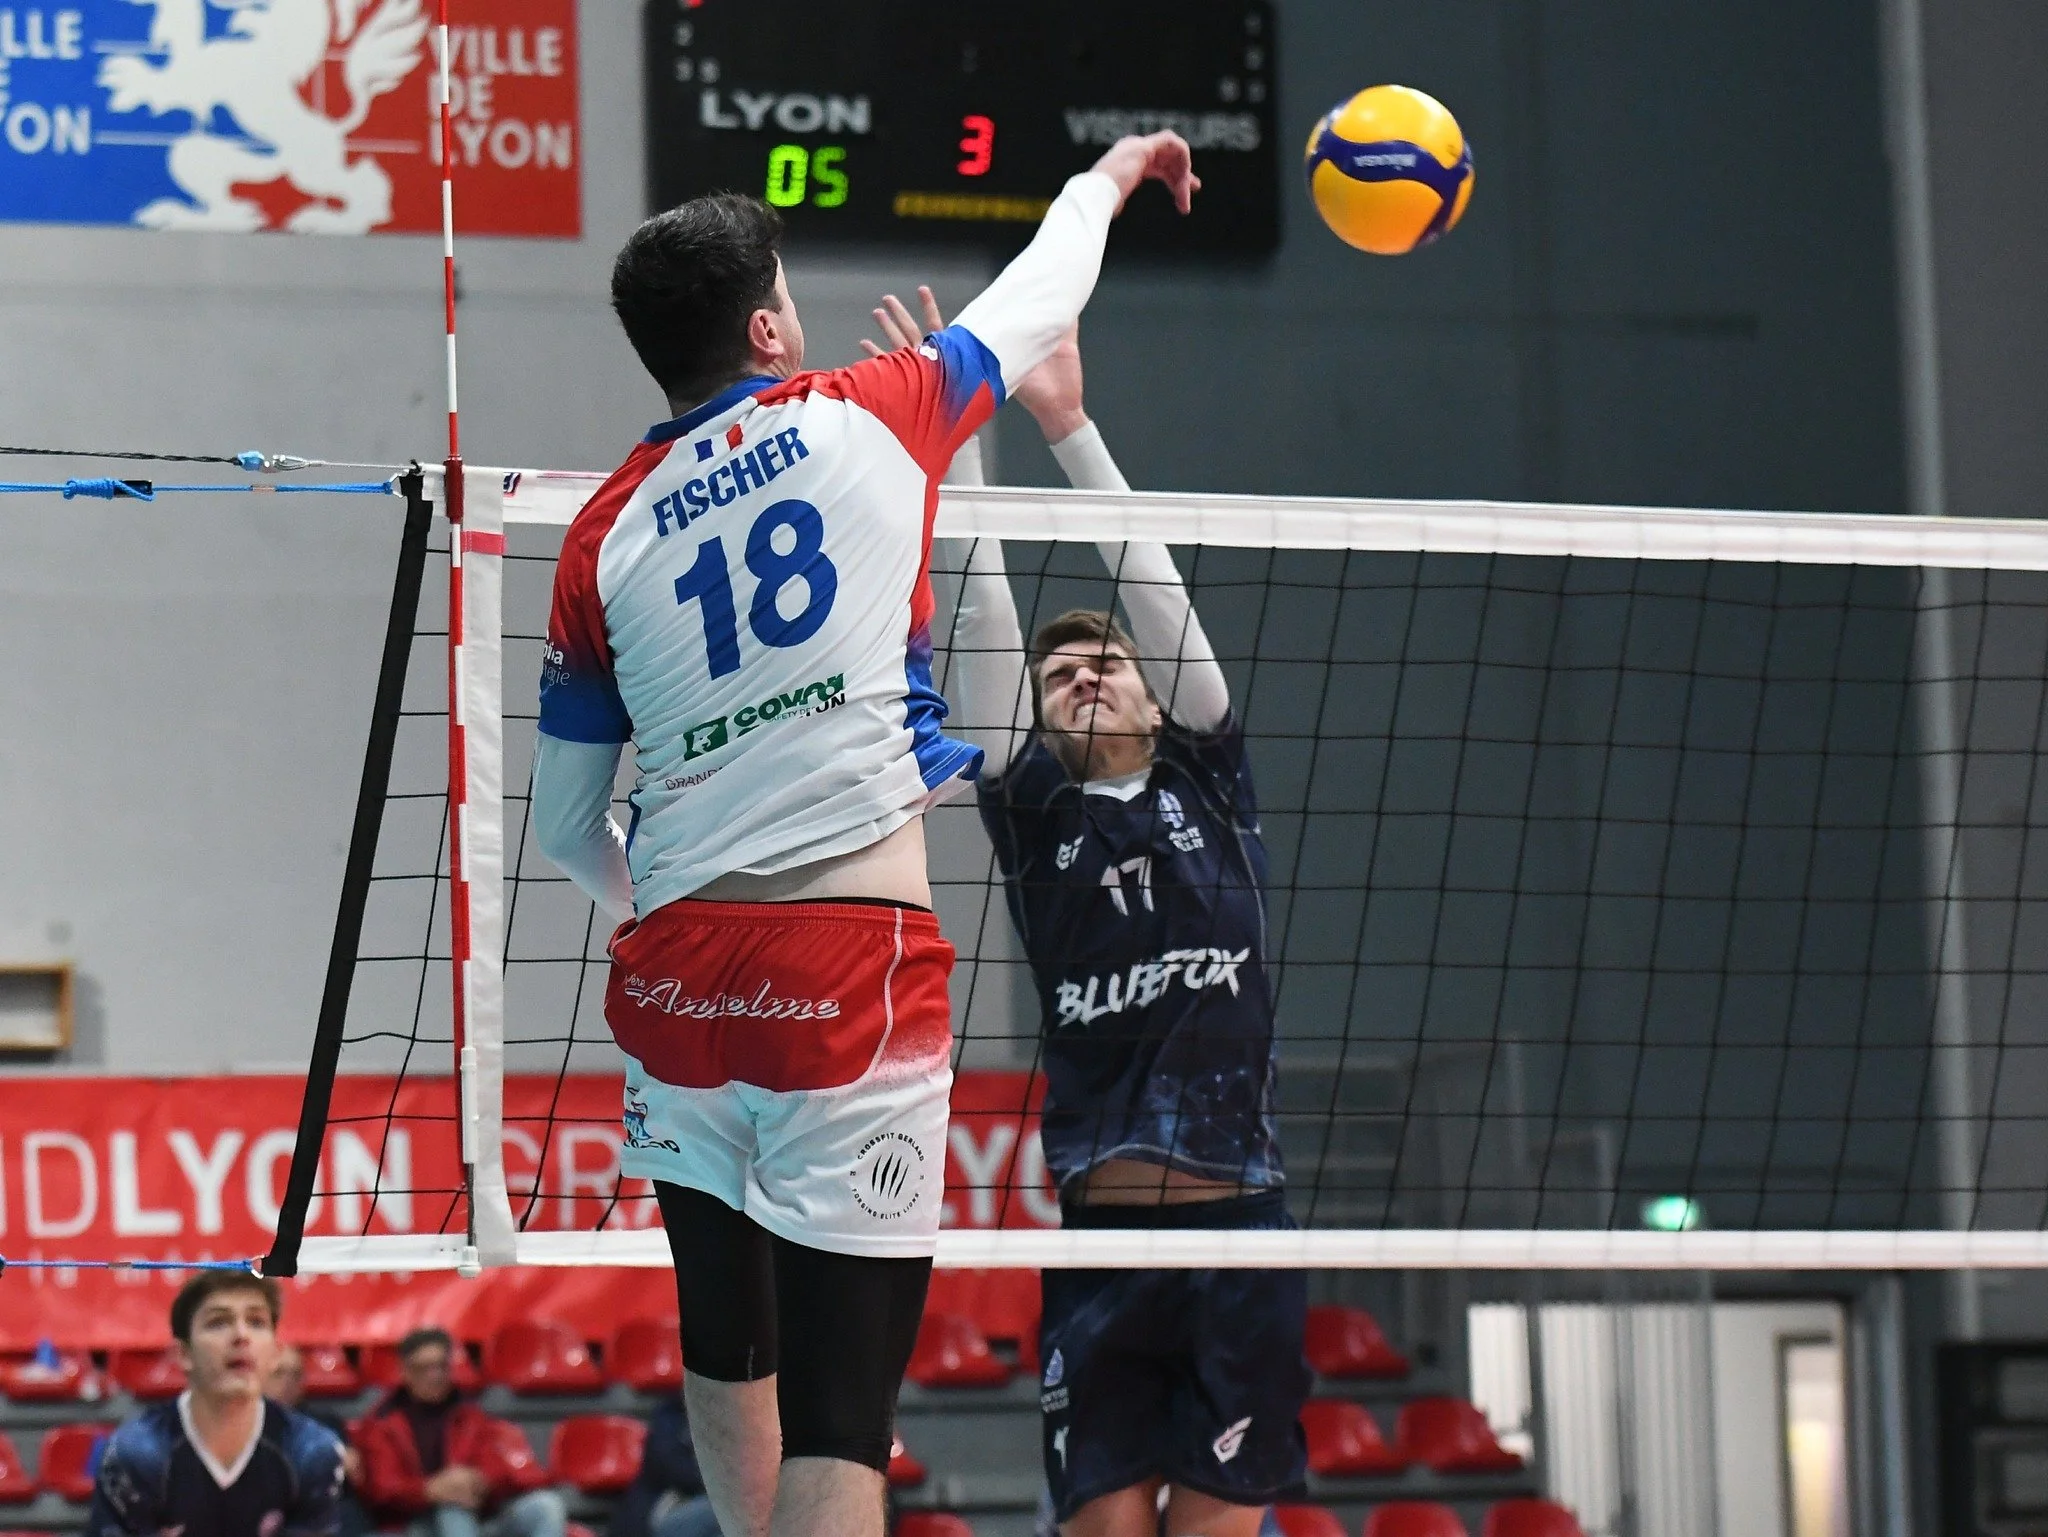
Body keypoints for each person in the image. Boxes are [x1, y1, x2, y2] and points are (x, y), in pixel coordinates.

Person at [528, 128, 1200, 1537]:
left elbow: (566, 825)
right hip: (848, 969)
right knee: (842, 1419)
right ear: (767, 328)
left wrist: (673, 912)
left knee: (727, 1339)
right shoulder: (871, 408)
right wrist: (1113, 175)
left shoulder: (600, 537)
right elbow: (1042, 286)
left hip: (674, 972)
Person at [865, 295, 1310, 1537]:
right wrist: (957, 443)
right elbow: (984, 621)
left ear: (1154, 699)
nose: (1082, 676)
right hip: (1100, 1240)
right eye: (1060, 674)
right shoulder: (1033, 807)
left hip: (1238, 1229)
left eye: (1104, 663)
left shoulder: (1208, 781)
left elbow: (1153, 597)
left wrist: (1068, 427)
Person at [86, 1271, 346, 1537]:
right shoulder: (136, 1452)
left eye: (256, 1322)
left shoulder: (312, 1451)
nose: (241, 1335)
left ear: (276, 1353)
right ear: (183, 1354)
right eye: (218, 1322)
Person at [352, 1327, 565, 1537]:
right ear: (406, 1372)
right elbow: (383, 1488)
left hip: (477, 1519)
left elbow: (497, 1470)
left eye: (441, 1367)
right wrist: (430, 1489)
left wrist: (476, 1480)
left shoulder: (471, 1415)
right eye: (424, 1368)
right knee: (451, 1508)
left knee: (547, 1506)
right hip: (416, 1525)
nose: (435, 1376)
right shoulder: (382, 1423)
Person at [268, 1344, 371, 1537]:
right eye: (279, 1373)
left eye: (296, 1374)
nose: (288, 1382)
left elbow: (353, 1472)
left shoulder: (326, 1421)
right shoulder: (247, 1423)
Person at [612, 1395, 721, 1537]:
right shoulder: (669, 1416)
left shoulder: (725, 1420)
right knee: (728, 1508)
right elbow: (677, 1471)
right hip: (662, 1509)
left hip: (701, 1504)